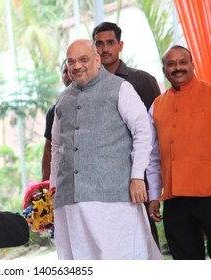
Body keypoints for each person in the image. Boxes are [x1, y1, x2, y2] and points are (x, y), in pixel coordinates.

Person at [50, 39, 161, 260]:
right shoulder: (63, 99)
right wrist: (54, 183)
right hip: (70, 198)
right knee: (77, 258)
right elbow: (56, 144)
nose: (77, 66)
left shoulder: (120, 88)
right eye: (71, 62)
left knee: (118, 257)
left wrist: (138, 176)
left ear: (97, 59)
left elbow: (143, 131)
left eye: (83, 59)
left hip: (113, 197)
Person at [92, 21, 161, 248]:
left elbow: (153, 131)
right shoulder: (87, 86)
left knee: (143, 236)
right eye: (99, 44)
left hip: (137, 173)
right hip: (102, 178)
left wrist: (149, 180)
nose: (105, 49)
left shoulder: (141, 80)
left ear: (120, 45)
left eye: (110, 42)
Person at [147, 45, 211, 260]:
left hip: (209, 193)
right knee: (185, 261)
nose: (178, 68)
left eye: (183, 62)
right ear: (164, 69)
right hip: (175, 199)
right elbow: (153, 156)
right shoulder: (157, 105)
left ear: (192, 65)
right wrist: (154, 196)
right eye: (171, 64)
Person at [42, 60, 72, 181]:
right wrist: (45, 183)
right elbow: (49, 148)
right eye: (65, 71)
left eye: (71, 69)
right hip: (64, 179)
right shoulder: (54, 111)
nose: (69, 74)